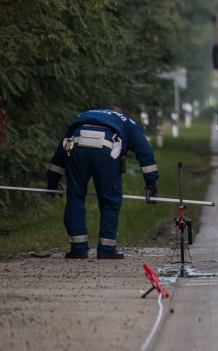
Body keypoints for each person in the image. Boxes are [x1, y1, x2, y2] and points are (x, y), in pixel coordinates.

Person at [45, 107, 159, 260]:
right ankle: (106, 248)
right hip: (107, 149)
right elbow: (145, 151)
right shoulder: (126, 121)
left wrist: (52, 181)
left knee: (75, 197)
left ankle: (78, 249)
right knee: (110, 199)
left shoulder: (85, 116)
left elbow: (61, 149)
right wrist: (150, 184)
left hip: (77, 145)